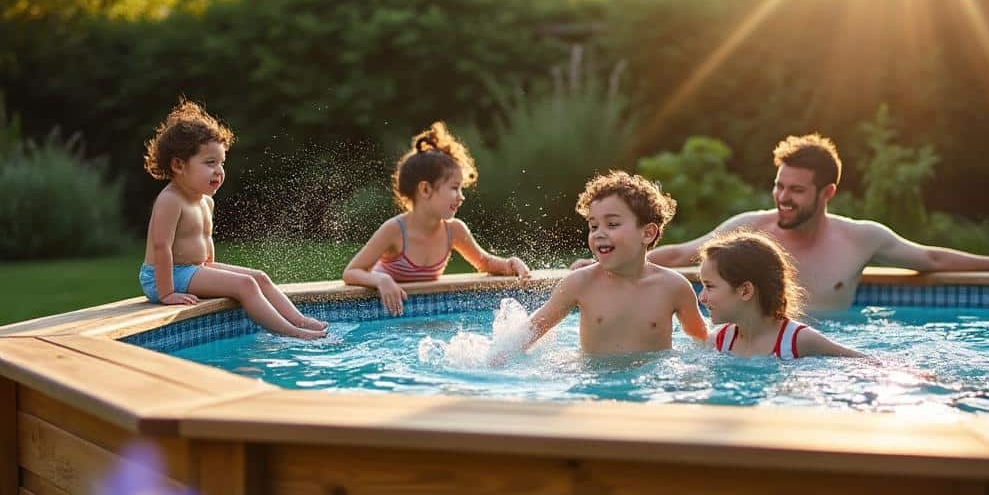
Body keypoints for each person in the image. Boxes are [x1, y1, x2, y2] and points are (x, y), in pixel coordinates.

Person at [582, 134, 989, 311]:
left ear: (827, 193)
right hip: (760, 355)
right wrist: (605, 265)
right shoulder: (751, 227)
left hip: (824, 359)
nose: (783, 198)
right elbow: (682, 254)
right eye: (779, 186)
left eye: (797, 191)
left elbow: (929, 257)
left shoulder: (861, 238)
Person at [140, 99, 327, 339]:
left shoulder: (205, 200)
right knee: (245, 286)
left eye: (221, 163)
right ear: (178, 165)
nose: (219, 170)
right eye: (210, 163)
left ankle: (300, 320)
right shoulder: (170, 200)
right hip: (163, 277)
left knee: (258, 276)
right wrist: (166, 293)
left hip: (192, 269)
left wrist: (213, 272)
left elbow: (205, 240)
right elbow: (161, 247)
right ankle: (291, 332)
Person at [343, 122, 530, 315]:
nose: (461, 196)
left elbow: (485, 263)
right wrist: (381, 280)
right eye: (454, 187)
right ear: (425, 189)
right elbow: (351, 272)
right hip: (384, 313)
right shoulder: (395, 231)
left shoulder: (454, 230)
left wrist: (509, 264)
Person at [523, 171, 708, 354]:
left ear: (647, 233)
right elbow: (527, 334)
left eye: (612, 224)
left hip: (652, 382)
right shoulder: (580, 283)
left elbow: (704, 342)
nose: (599, 233)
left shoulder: (674, 287)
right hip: (596, 381)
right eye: (593, 226)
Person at [699, 230, 862, 358]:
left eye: (710, 286)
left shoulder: (799, 340)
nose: (701, 297)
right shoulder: (718, 341)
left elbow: (866, 363)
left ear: (745, 290)